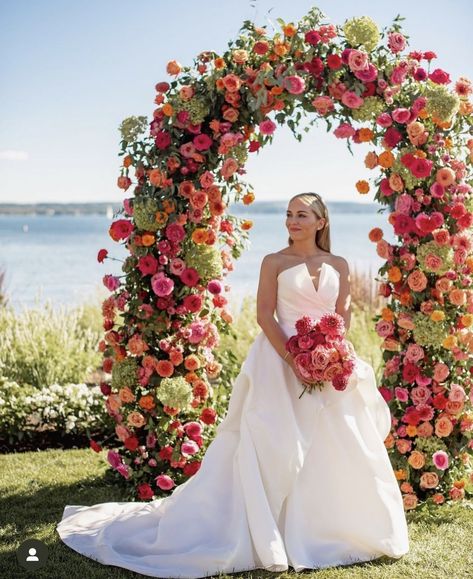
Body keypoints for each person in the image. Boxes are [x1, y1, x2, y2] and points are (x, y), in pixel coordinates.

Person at [56, 192, 410, 577]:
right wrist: (295, 359)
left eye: (302, 215)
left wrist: (332, 355)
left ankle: (331, 530)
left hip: (330, 362)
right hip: (279, 359)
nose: (292, 221)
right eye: (289, 214)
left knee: (338, 441)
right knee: (274, 444)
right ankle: (267, 531)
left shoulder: (338, 264)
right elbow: (264, 314)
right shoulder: (274, 261)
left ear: (321, 221)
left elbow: (341, 316)